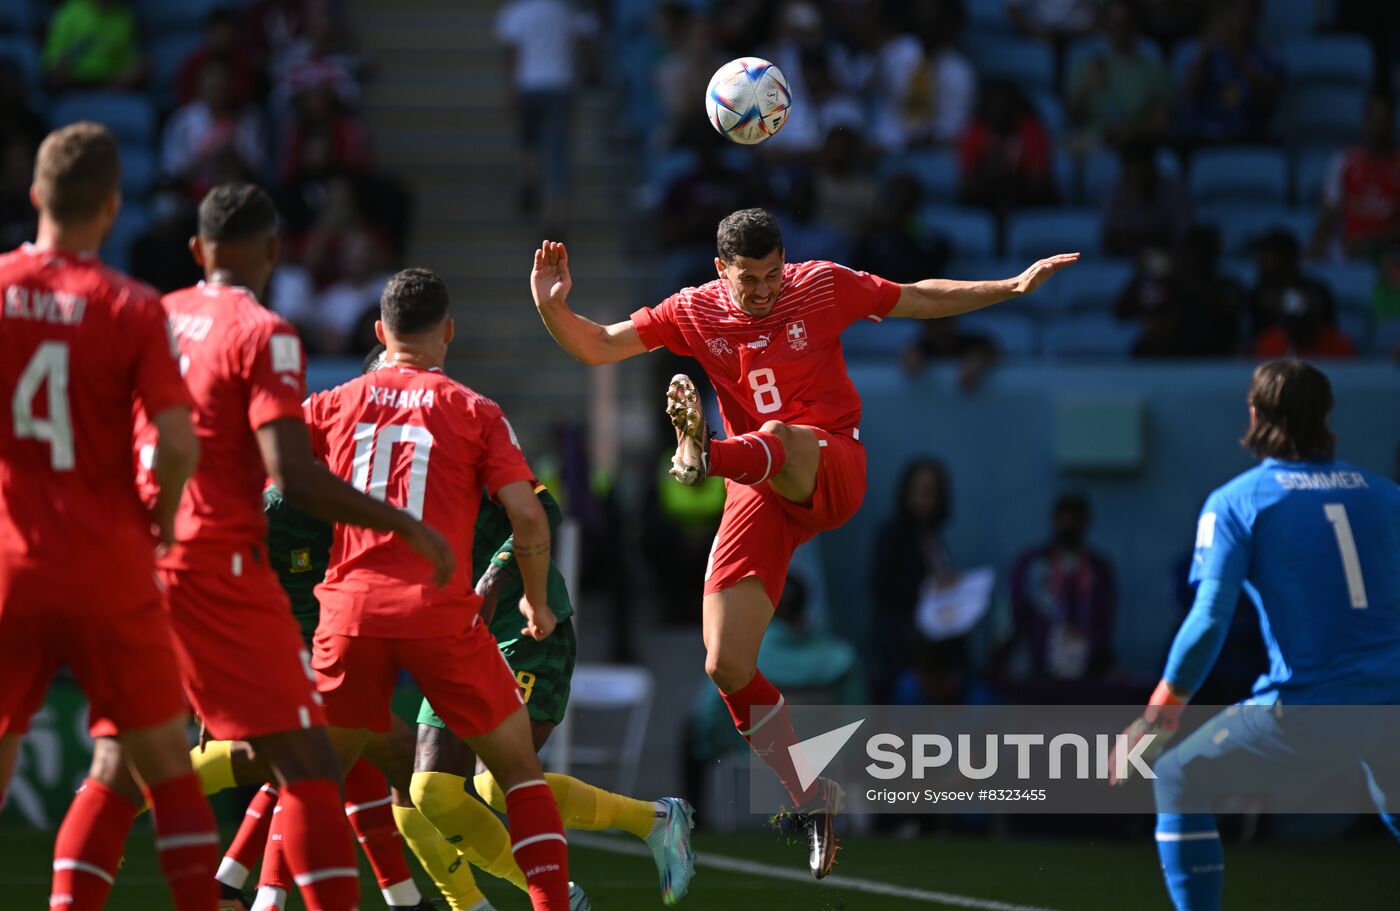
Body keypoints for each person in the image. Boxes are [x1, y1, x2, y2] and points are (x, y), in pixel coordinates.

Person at [529, 208, 1078, 877]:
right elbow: (596, 344)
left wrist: (1010, 287)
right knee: (724, 663)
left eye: (770, 274)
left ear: (785, 260)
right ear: (718, 270)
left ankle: (707, 454)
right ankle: (810, 794)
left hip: (829, 463)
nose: (762, 290)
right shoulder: (694, 311)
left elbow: (916, 296)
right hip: (759, 494)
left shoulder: (820, 285)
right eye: (747, 279)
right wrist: (553, 306)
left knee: (784, 433)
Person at [109, 183, 455, 911]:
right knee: (312, 755)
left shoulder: (153, 313)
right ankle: (270, 895)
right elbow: (290, 474)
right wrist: (404, 525)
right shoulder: (265, 336)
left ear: (199, 250)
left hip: (133, 556)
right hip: (220, 570)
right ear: (273, 252)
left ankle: (263, 892)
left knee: (299, 754)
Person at [301, 268, 572, 909]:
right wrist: (534, 598)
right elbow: (530, 515)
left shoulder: (332, 402)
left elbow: (265, 467)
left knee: (310, 785)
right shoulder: (474, 411)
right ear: (449, 332)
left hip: (350, 613)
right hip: (441, 614)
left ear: (378, 333)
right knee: (519, 777)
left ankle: (261, 896)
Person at [0, 122, 216, 910]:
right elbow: (178, 440)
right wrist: (161, 527)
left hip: (12, 561)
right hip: (109, 563)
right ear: (113, 207)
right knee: (161, 760)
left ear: (36, 196)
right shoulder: (129, 305)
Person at [1112, 359, 1400, 911]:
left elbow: (1208, 619)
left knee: (1176, 773)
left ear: (1254, 413)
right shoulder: (1385, 495)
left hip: (1313, 710)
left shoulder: (1240, 500)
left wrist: (1157, 717)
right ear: (1326, 416)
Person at [496, 0, 598, 232]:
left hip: (528, 85)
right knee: (557, 154)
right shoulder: (566, 11)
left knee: (526, 142)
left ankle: (527, 180)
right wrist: (586, 69)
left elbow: (512, 54)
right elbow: (587, 35)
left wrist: (510, 90)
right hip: (560, 84)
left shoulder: (517, 13)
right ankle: (557, 216)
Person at [1005, 493, 1118, 696]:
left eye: (1076, 520)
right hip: (1038, 672)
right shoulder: (1032, 565)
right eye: (1064, 519)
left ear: (1086, 523)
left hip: (1087, 674)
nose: (1069, 526)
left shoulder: (1098, 569)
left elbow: (1105, 619)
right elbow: (1015, 614)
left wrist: (1105, 662)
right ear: (1053, 521)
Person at [867, 459, 958, 703]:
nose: (926, 499)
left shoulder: (933, 537)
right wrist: (930, 588)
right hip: (905, 649)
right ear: (906, 492)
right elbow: (881, 587)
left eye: (932, 492)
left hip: (936, 649)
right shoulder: (893, 534)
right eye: (921, 491)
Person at [1067, 0, 1173, 152]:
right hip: (1091, 146)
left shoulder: (1154, 69)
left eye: (1123, 24)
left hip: (1137, 149)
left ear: (1135, 26)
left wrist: (1131, 131)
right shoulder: (1088, 65)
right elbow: (1071, 116)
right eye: (1111, 24)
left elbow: (1162, 122)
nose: (1118, 31)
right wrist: (1085, 90)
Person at [1309, 94, 1400, 262]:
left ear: (1393, 123)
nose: (1379, 128)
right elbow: (1329, 212)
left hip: (1392, 253)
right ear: (1365, 121)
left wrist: (1373, 242)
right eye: (1376, 120)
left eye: (1386, 121)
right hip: (1350, 251)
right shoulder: (1344, 160)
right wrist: (1313, 247)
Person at [1180, 0, 1283, 146]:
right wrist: (1205, 51)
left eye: (1247, 13)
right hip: (1203, 137)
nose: (1241, 19)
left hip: (1251, 136)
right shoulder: (1206, 51)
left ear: (1256, 17)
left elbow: (1268, 96)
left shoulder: (1269, 55)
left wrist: (1236, 53)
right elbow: (1189, 93)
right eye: (1236, 12)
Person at [1249, 231, 1355, 359]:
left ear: (1291, 258)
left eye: (1273, 256)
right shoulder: (1257, 293)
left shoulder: (1315, 290)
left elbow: (1328, 329)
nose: (1267, 262)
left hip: (1319, 351)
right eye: (1264, 256)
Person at [42, 0, 147, 92]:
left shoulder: (124, 17)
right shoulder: (70, 12)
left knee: (145, 65)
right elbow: (52, 62)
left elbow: (128, 64)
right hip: (75, 83)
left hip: (110, 85)